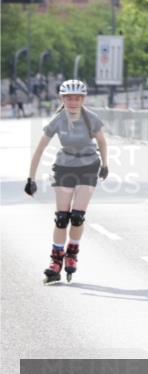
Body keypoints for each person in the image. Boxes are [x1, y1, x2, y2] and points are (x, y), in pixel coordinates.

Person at [25, 79, 109, 284]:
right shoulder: (57, 120)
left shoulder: (91, 118)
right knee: (62, 218)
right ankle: (55, 262)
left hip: (88, 166)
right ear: (62, 99)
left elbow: (102, 141)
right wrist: (31, 178)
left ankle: (72, 252)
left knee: (77, 217)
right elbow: (39, 149)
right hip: (64, 167)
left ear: (83, 99)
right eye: (69, 98)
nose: (73, 101)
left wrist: (105, 165)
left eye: (77, 98)